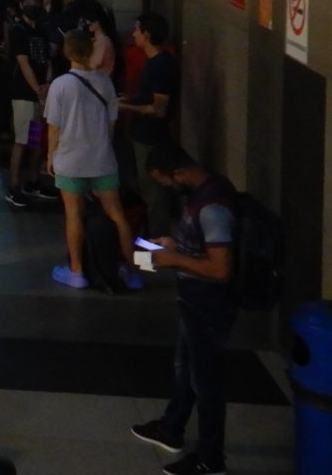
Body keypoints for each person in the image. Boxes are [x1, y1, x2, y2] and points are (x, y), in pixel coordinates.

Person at [130, 144, 237, 475]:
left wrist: (174, 259)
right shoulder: (205, 193)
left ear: (178, 173)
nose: (167, 188)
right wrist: (175, 246)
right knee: (186, 370)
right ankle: (171, 428)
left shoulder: (213, 206)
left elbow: (221, 269)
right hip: (194, 303)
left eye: (165, 182)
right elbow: (203, 246)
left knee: (206, 384)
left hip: (209, 307)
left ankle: (210, 459)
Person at [44, 29, 140, 290]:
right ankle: (132, 271)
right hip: (102, 159)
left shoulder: (60, 85)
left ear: (67, 52)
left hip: (70, 160)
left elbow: (54, 126)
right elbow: (111, 123)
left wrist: (50, 155)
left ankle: (76, 272)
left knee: (73, 215)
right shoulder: (105, 82)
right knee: (118, 215)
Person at [119, 11, 180, 236]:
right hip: (142, 134)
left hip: (150, 137)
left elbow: (158, 108)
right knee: (147, 192)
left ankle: (155, 251)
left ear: (147, 34)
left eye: (137, 29)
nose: (133, 34)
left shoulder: (161, 66)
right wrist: (130, 100)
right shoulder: (154, 63)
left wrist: (126, 107)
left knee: (153, 194)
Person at [3, 0, 58, 208]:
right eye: (28, 4)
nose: (33, 7)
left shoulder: (41, 31)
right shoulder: (18, 31)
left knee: (34, 139)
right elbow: (22, 62)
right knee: (21, 139)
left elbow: (47, 60)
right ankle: (14, 185)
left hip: (39, 95)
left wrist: (46, 85)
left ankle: (33, 181)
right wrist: (38, 88)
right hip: (23, 95)